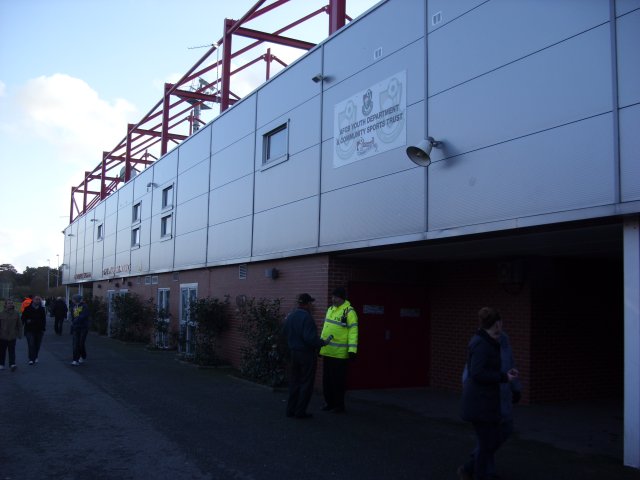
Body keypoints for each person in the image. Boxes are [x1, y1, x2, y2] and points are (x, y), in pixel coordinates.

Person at [459, 307, 519, 480]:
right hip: (483, 402)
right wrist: (502, 377)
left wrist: (515, 386)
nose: (500, 330)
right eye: (498, 327)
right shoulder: (481, 343)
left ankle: (472, 469)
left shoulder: (499, 340)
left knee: (493, 439)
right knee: (487, 441)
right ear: (494, 325)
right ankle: (481, 473)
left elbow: (509, 363)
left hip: (495, 399)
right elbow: (474, 372)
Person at [282, 293, 329, 419]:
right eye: (311, 303)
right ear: (308, 304)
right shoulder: (307, 318)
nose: (311, 305)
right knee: (306, 383)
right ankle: (300, 412)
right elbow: (310, 338)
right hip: (306, 354)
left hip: (294, 353)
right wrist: (322, 343)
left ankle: (290, 410)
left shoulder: (291, 316)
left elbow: (284, 332)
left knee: (295, 382)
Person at [319, 286, 359, 413]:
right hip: (328, 351)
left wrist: (352, 350)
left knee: (338, 382)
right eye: (332, 296)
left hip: (340, 355)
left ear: (342, 298)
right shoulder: (330, 309)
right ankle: (329, 403)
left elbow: (353, 332)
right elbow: (325, 330)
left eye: (336, 297)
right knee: (327, 381)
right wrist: (320, 346)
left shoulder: (349, 312)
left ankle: (339, 406)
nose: (333, 299)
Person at [22, 295, 47, 365]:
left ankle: (35, 356)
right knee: (31, 344)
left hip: (39, 330)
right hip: (29, 329)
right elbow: (23, 318)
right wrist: (26, 320)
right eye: (36, 299)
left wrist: (43, 328)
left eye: (39, 300)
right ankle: (31, 358)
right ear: (33, 300)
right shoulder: (27, 308)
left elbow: (44, 319)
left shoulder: (41, 309)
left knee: (37, 344)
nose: (37, 301)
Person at [0, 300, 22, 372]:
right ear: (5, 305)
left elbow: (19, 325)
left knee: (12, 350)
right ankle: (1, 364)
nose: (10, 304)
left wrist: (19, 334)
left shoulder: (16, 313)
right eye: (9, 303)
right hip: (2, 335)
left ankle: (12, 364)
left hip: (12, 335)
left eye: (11, 303)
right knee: (2, 351)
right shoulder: (1, 314)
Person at [70, 294, 90, 366]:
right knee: (75, 344)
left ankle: (83, 355)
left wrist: (75, 321)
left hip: (83, 328)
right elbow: (73, 316)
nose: (72, 300)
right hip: (76, 327)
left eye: (73, 299)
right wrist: (73, 324)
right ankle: (75, 359)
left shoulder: (84, 306)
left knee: (81, 343)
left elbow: (83, 316)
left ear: (76, 300)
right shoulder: (74, 306)